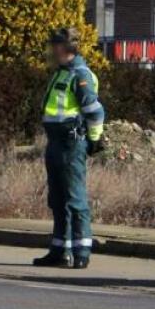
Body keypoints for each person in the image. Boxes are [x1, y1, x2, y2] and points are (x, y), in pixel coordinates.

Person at [33, 28, 105, 269]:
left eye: (54, 46)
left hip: (71, 142)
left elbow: (95, 111)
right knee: (57, 198)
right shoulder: (61, 73)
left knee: (75, 198)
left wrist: (95, 140)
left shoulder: (80, 75)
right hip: (55, 142)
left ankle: (82, 250)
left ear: (65, 48)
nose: (51, 50)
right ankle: (59, 250)